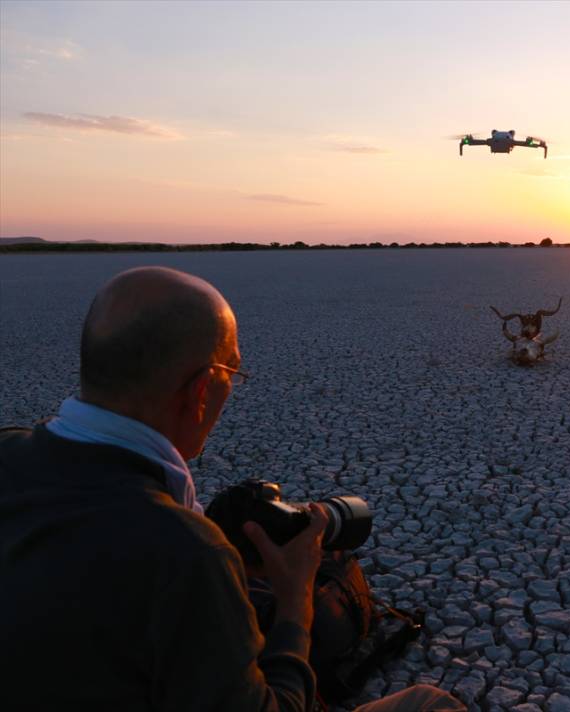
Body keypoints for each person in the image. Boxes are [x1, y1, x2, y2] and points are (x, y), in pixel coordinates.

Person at [0, 266, 463, 712]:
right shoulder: (183, 551)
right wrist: (294, 605)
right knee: (433, 703)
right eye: (232, 373)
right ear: (201, 390)